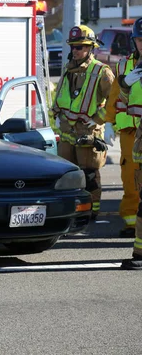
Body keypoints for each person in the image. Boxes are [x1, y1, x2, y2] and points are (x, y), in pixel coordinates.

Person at [51, 25, 114, 224]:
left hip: (88, 131)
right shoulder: (70, 69)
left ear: (90, 48)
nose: (75, 51)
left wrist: (97, 119)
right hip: (68, 130)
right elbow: (62, 94)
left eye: (80, 47)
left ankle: (92, 211)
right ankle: (73, 209)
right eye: (73, 47)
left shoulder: (101, 72)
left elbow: (115, 100)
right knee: (68, 173)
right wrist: (56, 113)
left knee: (89, 173)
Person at [105, 20, 141, 238]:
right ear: (133, 41)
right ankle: (130, 223)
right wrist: (108, 122)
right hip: (129, 134)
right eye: (139, 40)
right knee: (130, 179)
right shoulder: (123, 66)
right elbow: (114, 98)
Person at [117, 17, 142, 269]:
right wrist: (126, 83)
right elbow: (122, 99)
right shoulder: (130, 66)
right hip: (136, 136)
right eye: (139, 40)